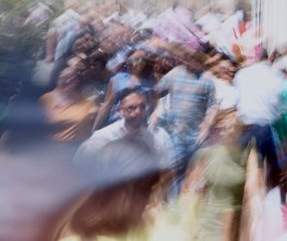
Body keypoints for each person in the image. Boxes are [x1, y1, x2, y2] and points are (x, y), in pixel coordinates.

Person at [153, 55, 218, 194]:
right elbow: (157, 91)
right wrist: (155, 113)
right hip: (176, 134)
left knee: (196, 174)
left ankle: (188, 205)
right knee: (174, 172)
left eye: (194, 58)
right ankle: (173, 206)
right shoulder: (176, 72)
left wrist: (206, 126)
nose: (190, 61)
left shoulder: (207, 78)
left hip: (196, 137)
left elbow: (213, 105)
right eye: (188, 57)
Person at [76, 86, 174, 173]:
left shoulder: (159, 137)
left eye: (142, 107)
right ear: (121, 111)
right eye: (131, 108)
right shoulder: (102, 137)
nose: (138, 112)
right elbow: (81, 166)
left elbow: (169, 172)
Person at [233, 54, 284, 188]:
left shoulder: (241, 74)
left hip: (244, 127)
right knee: (274, 166)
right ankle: (271, 193)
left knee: (243, 167)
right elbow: (277, 102)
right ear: (268, 59)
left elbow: (236, 101)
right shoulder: (275, 74)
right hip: (265, 126)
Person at [92, 51, 157, 131]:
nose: (132, 63)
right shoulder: (118, 79)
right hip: (117, 123)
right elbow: (107, 105)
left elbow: (154, 106)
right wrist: (95, 129)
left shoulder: (151, 82)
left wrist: (152, 122)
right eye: (130, 60)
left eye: (139, 60)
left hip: (138, 126)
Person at [39, 67, 98, 143]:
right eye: (65, 77)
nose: (69, 80)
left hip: (78, 148)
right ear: (57, 78)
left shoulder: (86, 102)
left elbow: (90, 125)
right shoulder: (45, 100)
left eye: (73, 78)